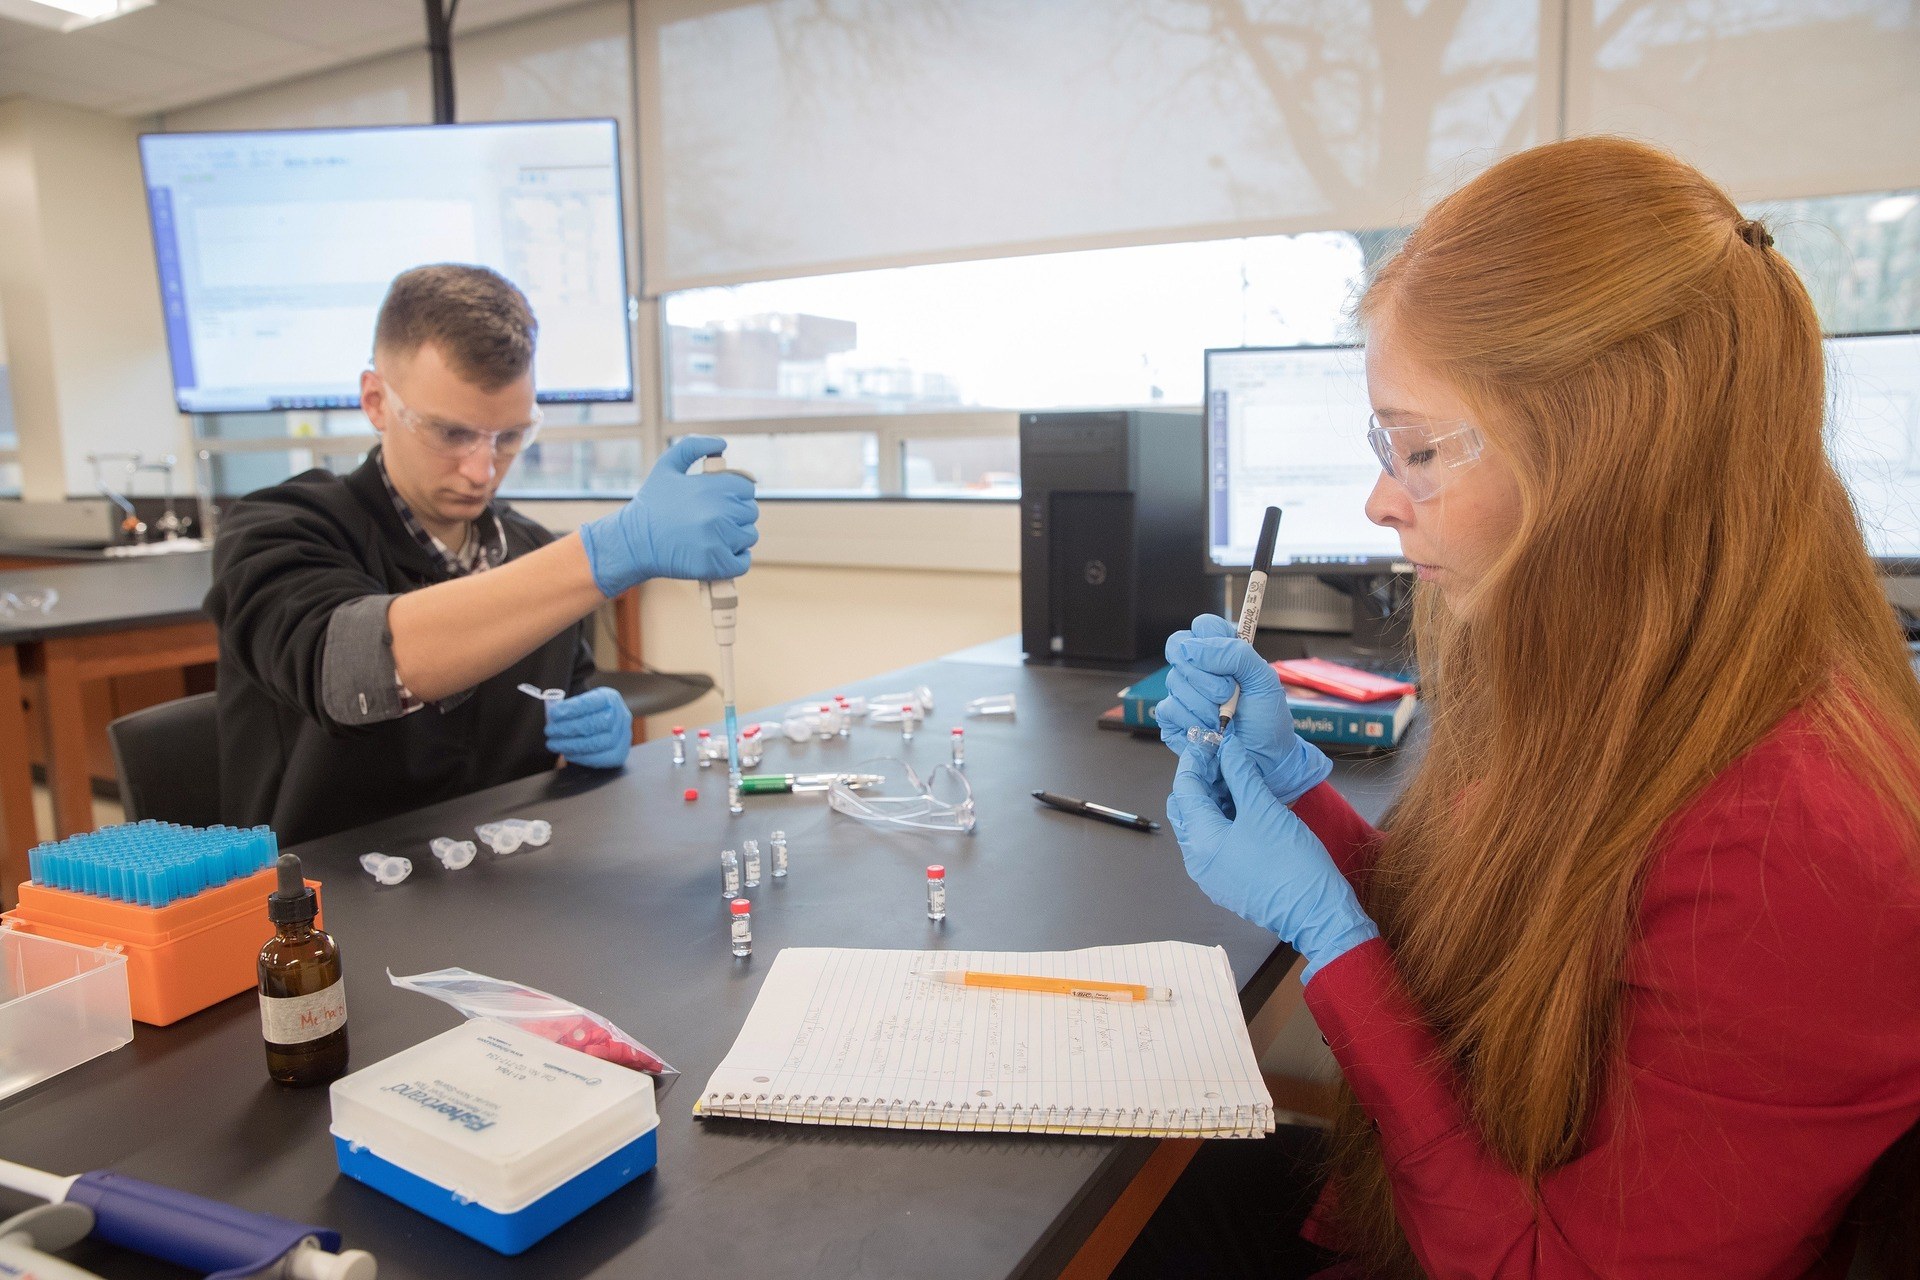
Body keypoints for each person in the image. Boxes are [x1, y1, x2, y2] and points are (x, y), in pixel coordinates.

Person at [1138, 136, 1920, 1278]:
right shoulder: (1626, 679)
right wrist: (1304, 795)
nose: (1378, 499)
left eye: (1419, 449)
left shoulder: (1789, 841)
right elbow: (1516, 959)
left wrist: (1333, 940)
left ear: (1604, 455)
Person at [205, 264, 757, 845]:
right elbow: (354, 671)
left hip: (502, 890)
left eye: (509, 437)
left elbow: (563, 701)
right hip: (321, 911)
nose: (483, 469)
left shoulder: (529, 551)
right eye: (450, 434)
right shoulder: (279, 531)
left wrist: (593, 730)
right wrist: (609, 550)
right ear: (375, 401)